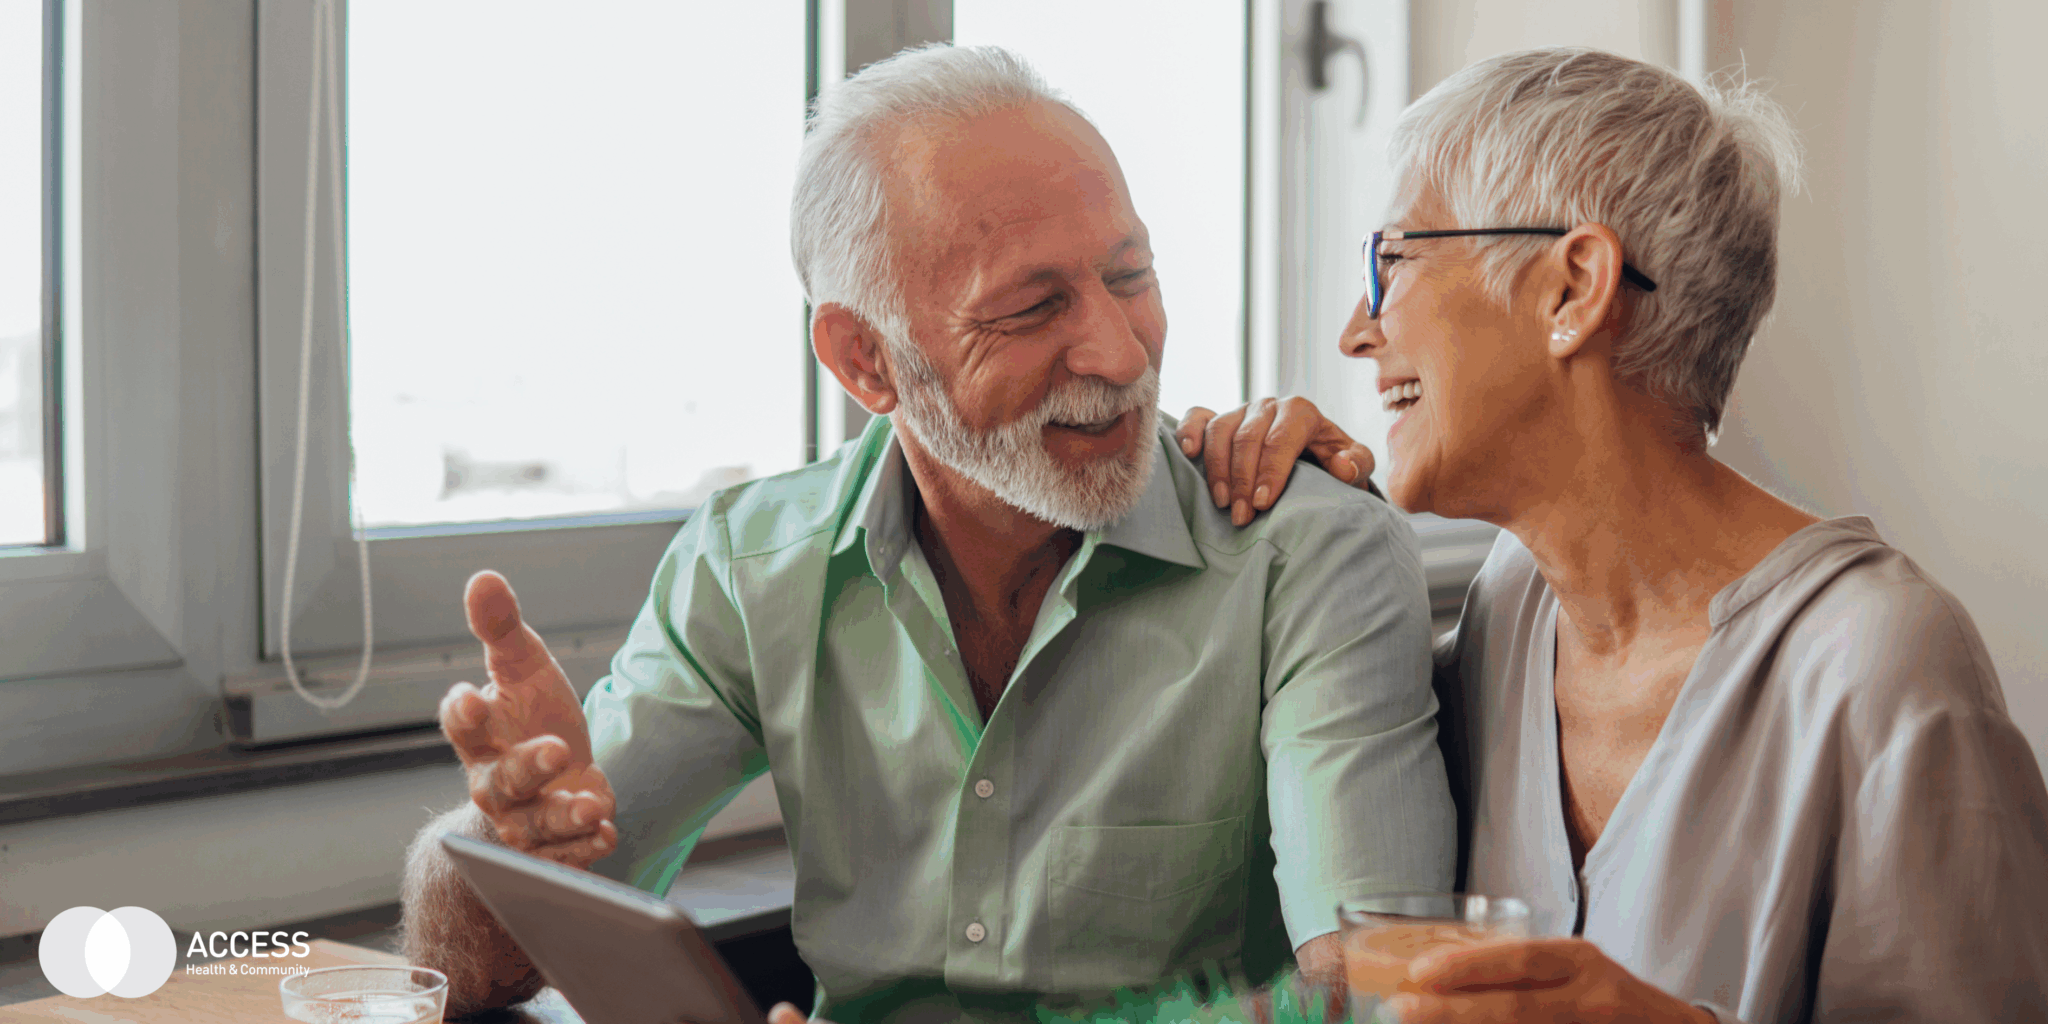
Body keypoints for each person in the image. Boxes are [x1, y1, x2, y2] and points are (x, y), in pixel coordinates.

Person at [397, 44, 1455, 1022]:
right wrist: (504, 842)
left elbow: (1373, 987)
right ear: (866, 362)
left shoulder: (1304, 551)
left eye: (1129, 276)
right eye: (1032, 309)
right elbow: (480, 970)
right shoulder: (747, 565)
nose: (1119, 352)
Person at [1181, 46, 2048, 1024]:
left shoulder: (1883, 668)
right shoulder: (1508, 608)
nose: (1354, 330)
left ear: (1572, 287)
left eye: (1391, 264)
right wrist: (1287, 510)